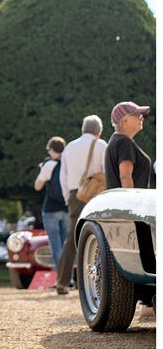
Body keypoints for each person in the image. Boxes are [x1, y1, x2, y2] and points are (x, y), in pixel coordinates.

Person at [55, 115, 107, 295]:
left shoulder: (69, 147)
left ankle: (62, 281)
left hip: (74, 194)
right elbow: (106, 171)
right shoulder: (101, 145)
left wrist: (67, 196)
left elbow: (63, 176)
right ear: (99, 131)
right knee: (97, 236)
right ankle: (90, 282)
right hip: (95, 193)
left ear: (83, 129)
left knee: (72, 237)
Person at [34, 136, 68, 271]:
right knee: (66, 244)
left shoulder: (49, 164)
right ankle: (68, 277)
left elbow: (38, 186)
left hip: (51, 208)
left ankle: (60, 277)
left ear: (52, 149)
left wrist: (42, 169)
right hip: (66, 207)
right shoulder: (67, 163)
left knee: (55, 245)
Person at [106, 101, 154, 189]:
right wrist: (131, 202)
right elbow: (125, 177)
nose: (142, 118)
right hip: (128, 201)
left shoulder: (116, 140)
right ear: (124, 120)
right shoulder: (124, 142)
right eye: (138, 115)